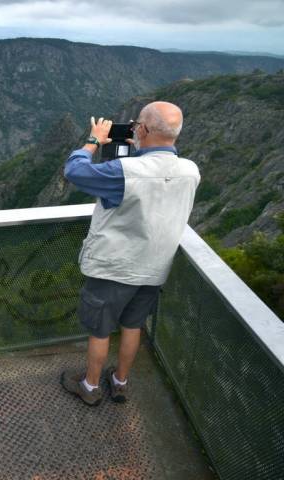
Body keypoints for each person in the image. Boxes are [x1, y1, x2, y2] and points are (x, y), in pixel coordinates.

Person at [59, 101, 200, 406]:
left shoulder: (124, 172)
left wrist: (94, 139)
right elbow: (153, 178)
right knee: (132, 326)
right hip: (153, 269)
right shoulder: (190, 171)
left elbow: (75, 170)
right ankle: (120, 381)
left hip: (114, 267)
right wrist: (137, 149)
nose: (135, 128)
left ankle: (91, 386)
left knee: (100, 330)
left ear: (144, 129)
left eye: (137, 125)